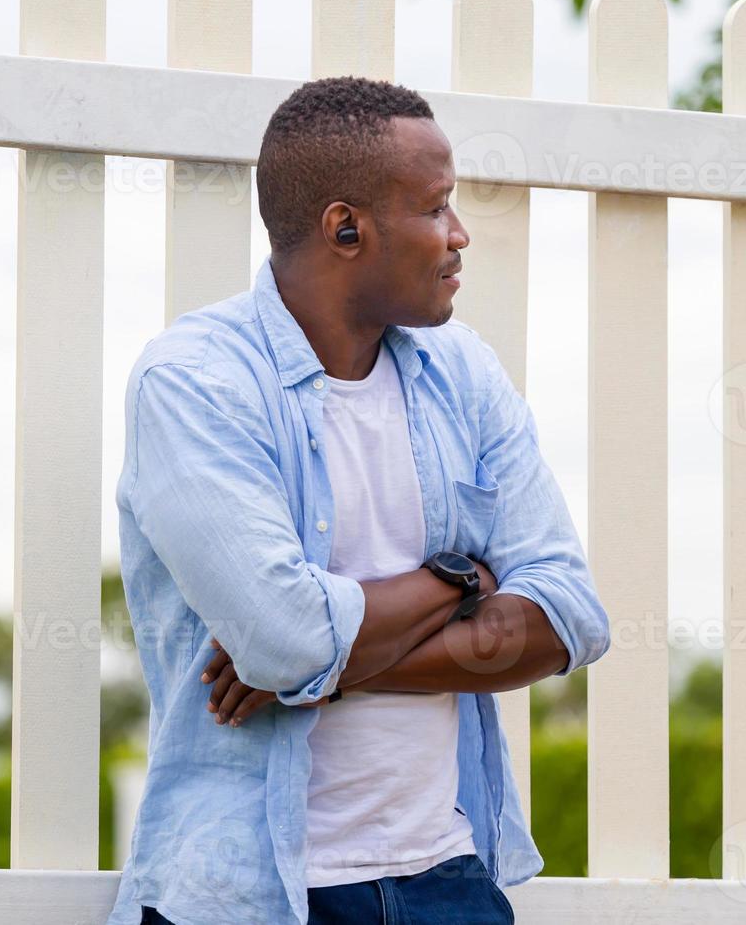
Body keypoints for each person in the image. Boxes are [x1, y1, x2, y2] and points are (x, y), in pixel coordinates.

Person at [105, 75, 611, 925]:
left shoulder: (464, 373)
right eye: (436, 207)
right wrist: (463, 578)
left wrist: (318, 674)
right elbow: (282, 636)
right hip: (244, 896)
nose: (460, 236)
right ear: (347, 226)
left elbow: (567, 618)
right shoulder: (196, 381)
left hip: (447, 881)